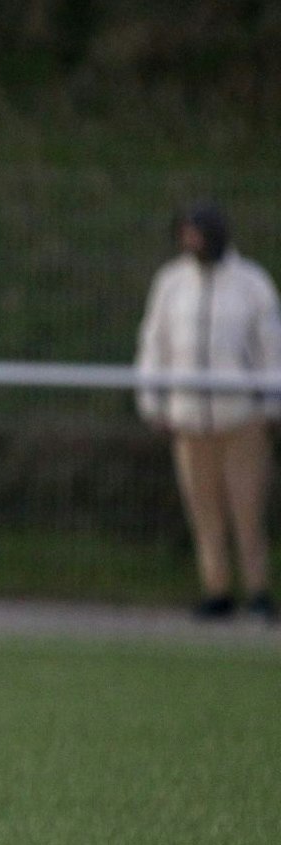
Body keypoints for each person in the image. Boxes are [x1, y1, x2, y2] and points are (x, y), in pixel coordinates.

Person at [136, 203, 281, 622]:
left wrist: (272, 403)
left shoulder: (251, 284)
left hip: (240, 418)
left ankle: (257, 590)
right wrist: (154, 399)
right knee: (203, 510)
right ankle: (216, 589)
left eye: (197, 234)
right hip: (189, 418)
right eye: (185, 235)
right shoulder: (171, 283)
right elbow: (154, 342)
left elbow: (271, 347)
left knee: (247, 507)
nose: (190, 243)